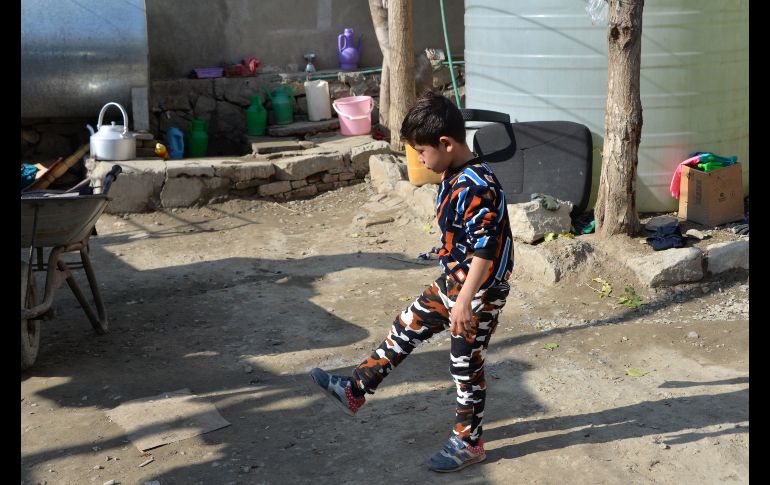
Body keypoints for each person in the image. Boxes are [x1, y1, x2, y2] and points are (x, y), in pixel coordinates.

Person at [310, 91, 514, 473]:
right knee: (407, 324)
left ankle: (469, 442)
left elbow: (486, 248)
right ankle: (356, 389)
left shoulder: (475, 184)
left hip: (478, 290)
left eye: (422, 151)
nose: (419, 159)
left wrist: (466, 300)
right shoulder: (454, 174)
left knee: (464, 362)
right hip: (456, 281)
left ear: (446, 144)